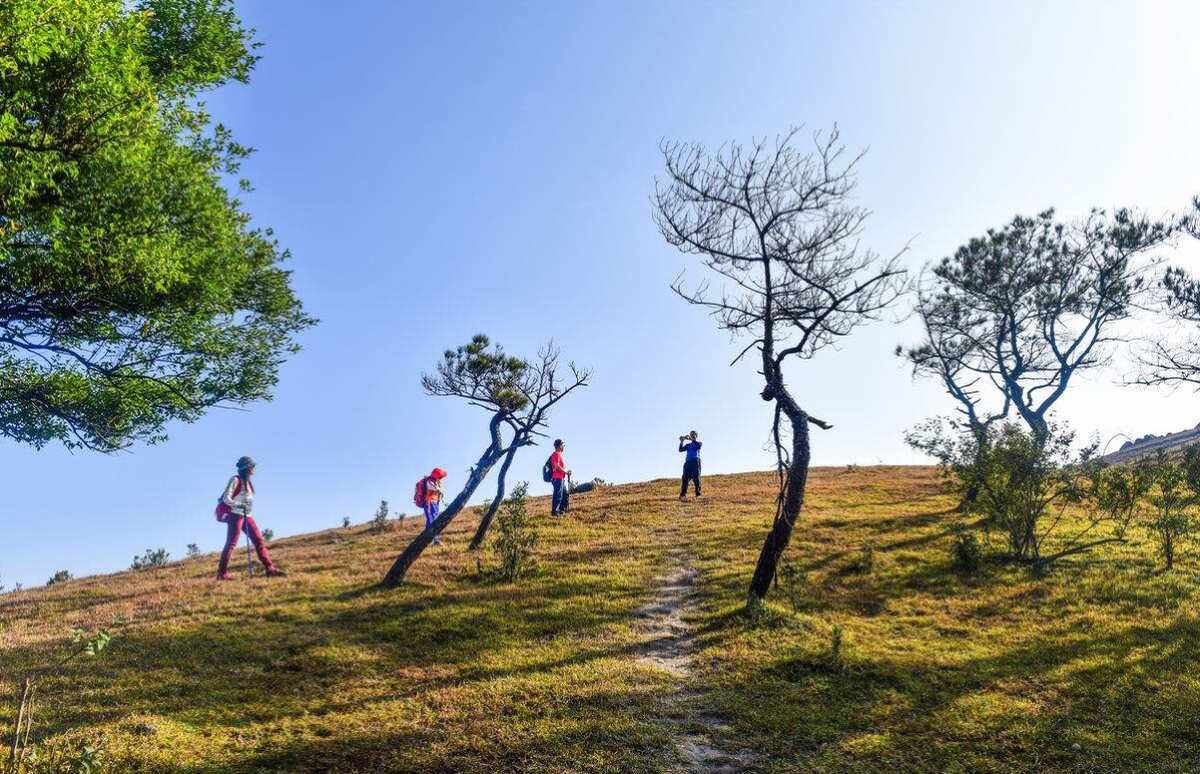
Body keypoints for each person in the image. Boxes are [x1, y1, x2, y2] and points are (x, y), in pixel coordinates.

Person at [216, 456, 284, 580]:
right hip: (235, 515)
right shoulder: (235, 480)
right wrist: (239, 504)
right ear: (246, 468)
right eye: (252, 466)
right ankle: (222, 574)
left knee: (259, 540)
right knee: (231, 543)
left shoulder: (248, 483)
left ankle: (270, 568)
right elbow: (226, 498)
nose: (254, 468)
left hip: (247, 516)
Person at [421, 468, 447, 545]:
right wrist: (439, 488)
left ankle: (429, 539)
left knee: (433, 520)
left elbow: (438, 492)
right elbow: (437, 491)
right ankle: (432, 539)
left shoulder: (435, 482)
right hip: (429, 503)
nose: (441, 478)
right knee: (431, 521)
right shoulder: (429, 482)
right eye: (440, 476)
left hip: (434, 503)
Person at [549, 439, 572, 515]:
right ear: (559, 446)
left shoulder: (558, 455)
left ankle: (561, 510)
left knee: (564, 494)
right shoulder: (556, 454)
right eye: (563, 445)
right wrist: (565, 472)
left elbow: (559, 466)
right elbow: (556, 466)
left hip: (561, 478)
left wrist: (566, 472)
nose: (563, 447)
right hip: (557, 478)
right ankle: (555, 512)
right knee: (558, 495)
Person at [679, 431, 703, 500]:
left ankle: (698, 494)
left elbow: (699, 445)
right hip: (688, 463)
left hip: (695, 462)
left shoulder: (698, 443)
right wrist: (681, 441)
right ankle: (683, 495)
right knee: (685, 478)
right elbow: (680, 450)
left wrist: (690, 439)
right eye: (691, 434)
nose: (692, 435)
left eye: (693, 434)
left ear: (696, 436)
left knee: (696, 478)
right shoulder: (688, 445)